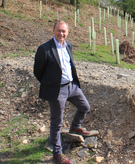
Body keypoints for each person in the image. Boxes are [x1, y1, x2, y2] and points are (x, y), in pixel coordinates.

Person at [34, 20, 92, 164]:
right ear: (53, 31)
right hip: (57, 89)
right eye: (59, 30)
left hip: (71, 86)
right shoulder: (45, 49)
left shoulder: (68, 46)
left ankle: (75, 126)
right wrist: (50, 84)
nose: (61, 34)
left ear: (67, 32)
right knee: (57, 123)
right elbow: (38, 71)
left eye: (64, 31)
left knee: (85, 106)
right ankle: (57, 155)